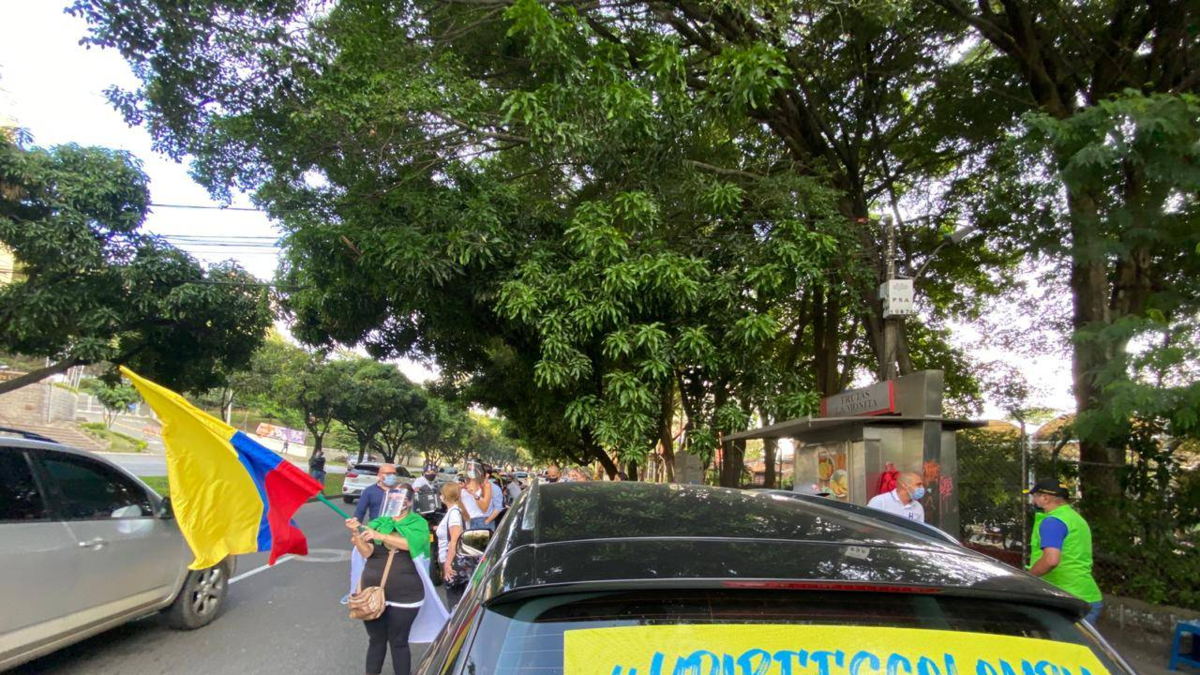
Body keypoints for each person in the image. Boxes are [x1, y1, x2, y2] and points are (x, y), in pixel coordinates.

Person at [345, 485, 448, 675]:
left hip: (406, 594)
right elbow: (366, 552)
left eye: (399, 498)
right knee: (376, 640)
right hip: (372, 592)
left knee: (398, 641)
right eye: (391, 498)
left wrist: (380, 536)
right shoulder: (378, 522)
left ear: (408, 501)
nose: (395, 502)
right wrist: (356, 534)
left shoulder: (418, 523)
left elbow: (412, 544)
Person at [1024, 479, 1104, 624]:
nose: (1033, 501)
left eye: (1035, 496)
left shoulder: (1053, 522)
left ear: (1045, 498)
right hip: (1084, 595)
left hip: (1067, 600)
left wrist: (1028, 578)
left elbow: (1051, 560)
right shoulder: (1074, 518)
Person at [344, 464, 400, 604]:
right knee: (366, 565)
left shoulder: (399, 492)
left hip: (395, 536)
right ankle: (359, 594)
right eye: (388, 473)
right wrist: (355, 529)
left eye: (394, 473)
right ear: (380, 475)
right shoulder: (369, 492)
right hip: (374, 535)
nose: (392, 476)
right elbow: (359, 513)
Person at [436, 482, 467, 609]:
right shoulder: (456, 511)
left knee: (454, 601)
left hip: (452, 561)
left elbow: (455, 540)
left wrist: (447, 564)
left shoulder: (454, 513)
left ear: (443, 496)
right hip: (456, 560)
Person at [460, 459, 494, 531]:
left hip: (480, 522)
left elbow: (484, 508)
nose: (469, 471)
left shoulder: (485, 486)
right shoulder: (463, 484)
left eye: (471, 469)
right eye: (468, 469)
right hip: (465, 521)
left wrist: (474, 495)